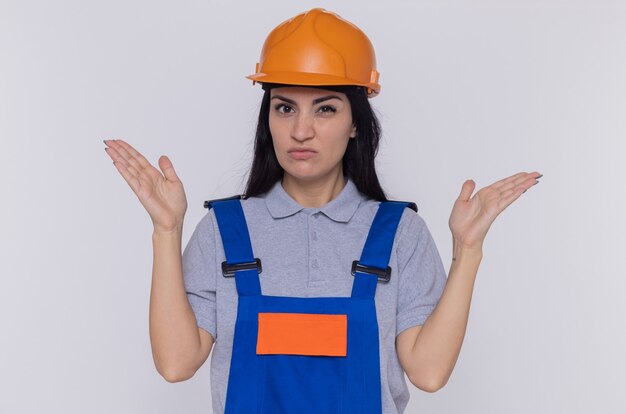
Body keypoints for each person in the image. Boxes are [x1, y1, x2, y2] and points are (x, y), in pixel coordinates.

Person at [103, 8, 541, 414]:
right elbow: (176, 364)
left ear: (355, 123)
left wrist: (467, 252)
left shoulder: (398, 232)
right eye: (285, 107)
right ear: (267, 118)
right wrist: (166, 230)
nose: (300, 130)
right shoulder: (223, 229)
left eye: (325, 108)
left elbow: (428, 372)